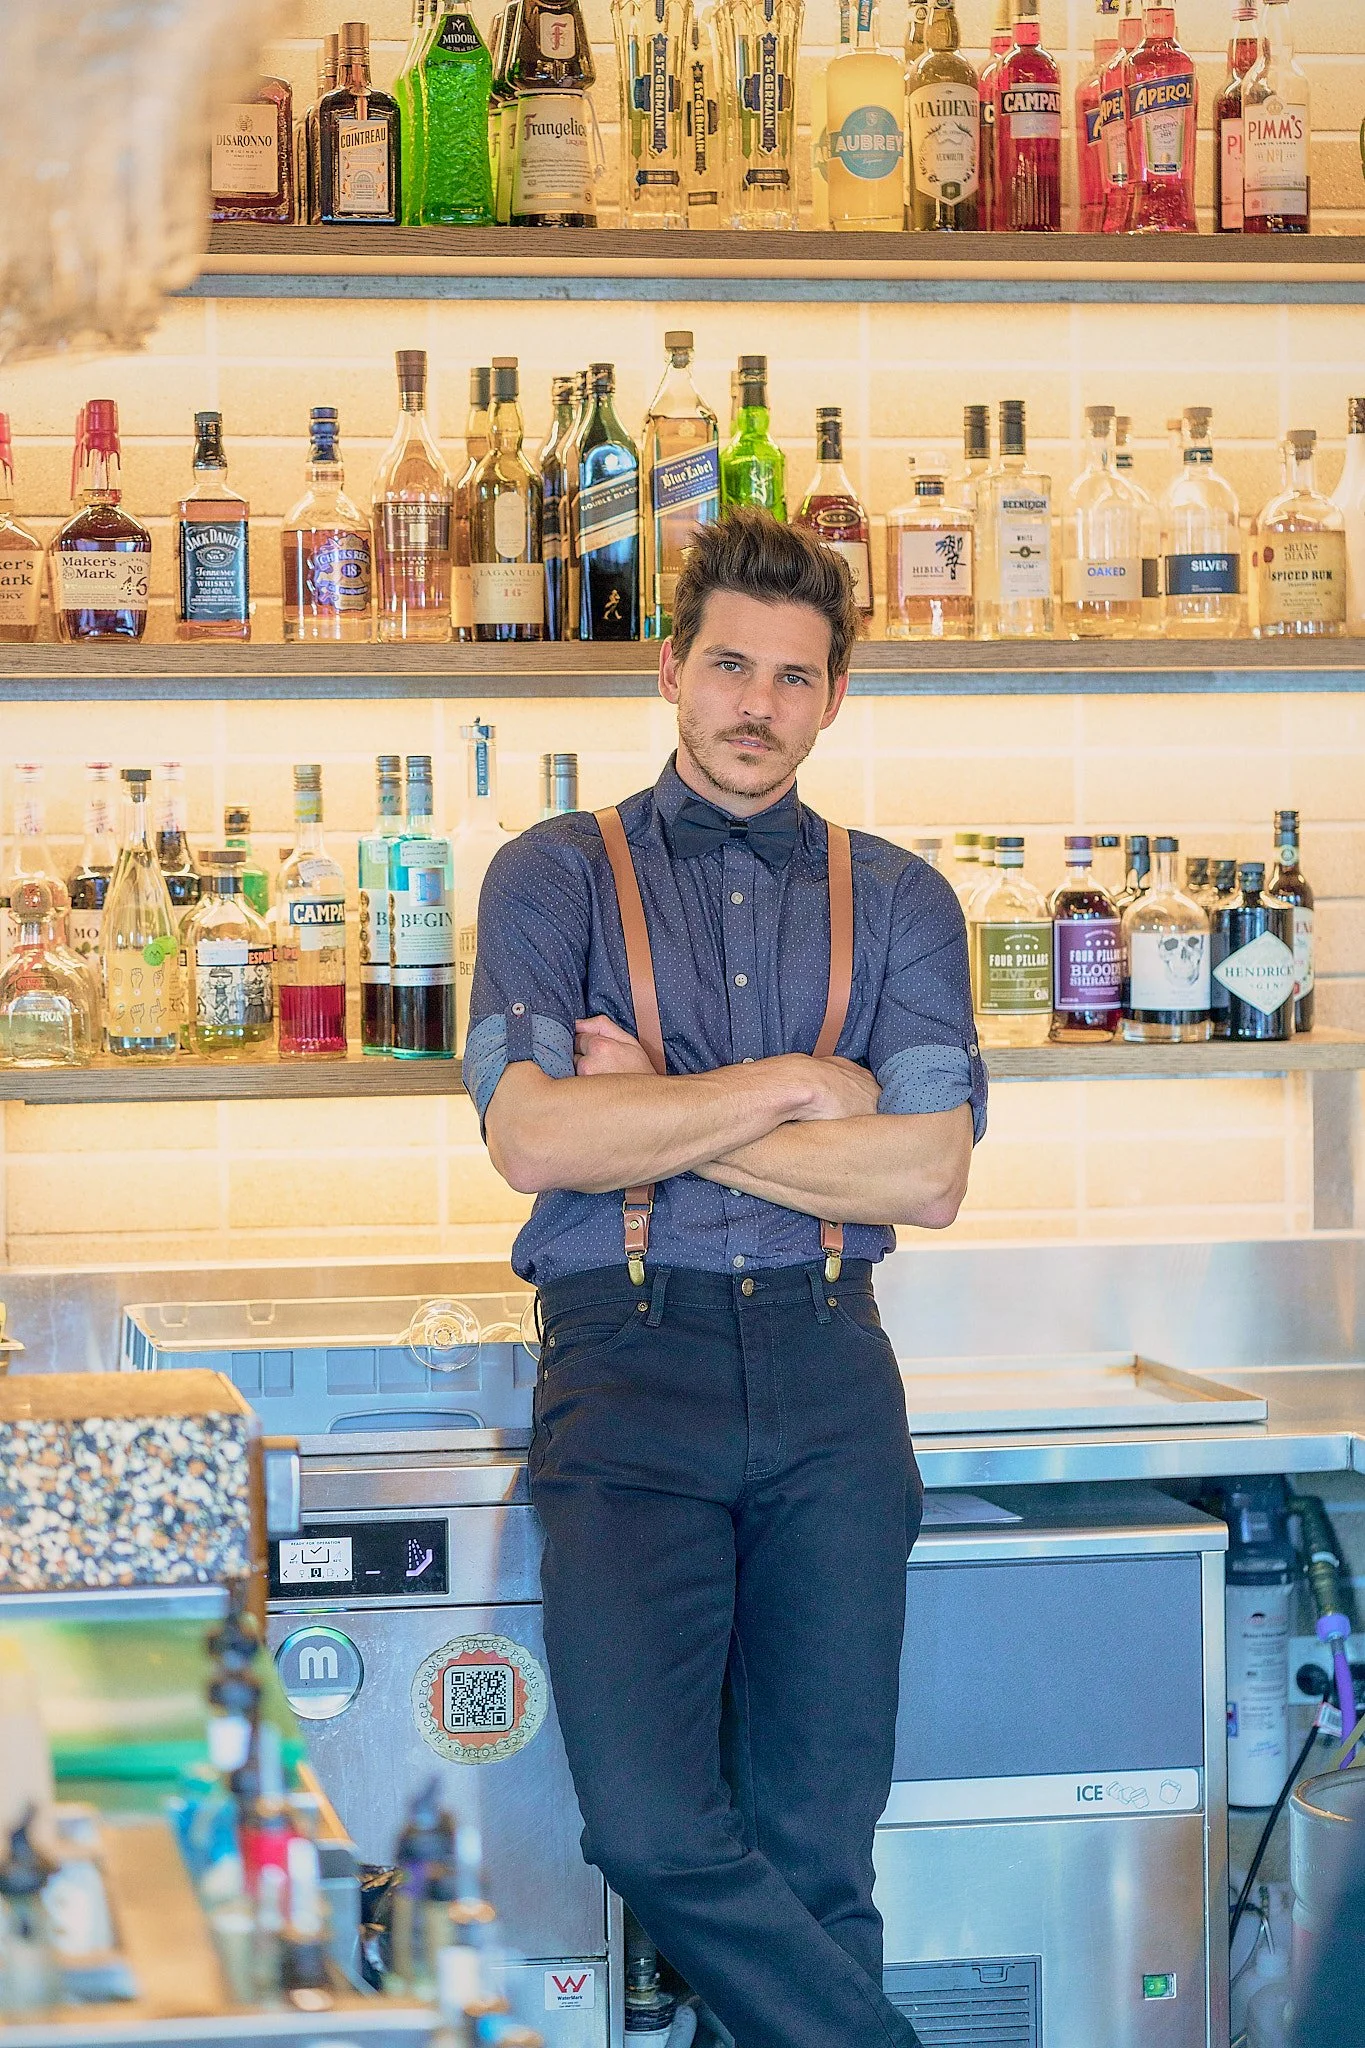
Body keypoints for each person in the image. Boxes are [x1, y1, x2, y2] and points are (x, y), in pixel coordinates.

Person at [466, 509, 986, 2048]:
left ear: (835, 700)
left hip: (832, 1370)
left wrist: (667, 1116)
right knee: (649, 1825)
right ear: (671, 671)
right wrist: (797, 1090)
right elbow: (532, 1137)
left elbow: (928, 1172)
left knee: (817, 1858)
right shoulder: (550, 876)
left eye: (795, 678)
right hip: (627, 1365)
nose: (758, 705)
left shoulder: (900, 897)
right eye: (731, 667)